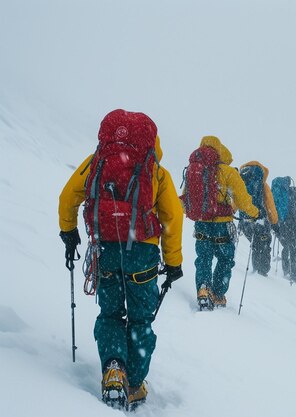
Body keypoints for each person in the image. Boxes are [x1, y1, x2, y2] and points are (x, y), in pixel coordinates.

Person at [58, 109, 183, 410]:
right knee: (140, 319)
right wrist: (174, 262)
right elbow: (172, 216)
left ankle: (114, 368)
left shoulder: (97, 162)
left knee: (111, 314)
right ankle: (134, 384)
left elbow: (67, 197)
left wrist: (68, 232)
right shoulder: (155, 171)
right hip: (143, 253)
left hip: (106, 250)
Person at [180, 136, 259, 310]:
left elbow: (187, 198)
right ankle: (217, 293)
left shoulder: (194, 169)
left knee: (204, 258)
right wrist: (254, 213)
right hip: (222, 224)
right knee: (225, 258)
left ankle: (203, 288)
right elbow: (243, 199)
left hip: (201, 223)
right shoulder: (228, 171)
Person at [238, 161, 279, 276]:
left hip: (244, 221)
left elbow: (236, 200)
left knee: (255, 244)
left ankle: (256, 268)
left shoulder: (241, 181)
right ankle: (262, 271)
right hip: (260, 220)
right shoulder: (263, 185)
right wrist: (274, 222)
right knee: (264, 243)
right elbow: (269, 205)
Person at [277, 186, 296, 284]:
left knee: (286, 249)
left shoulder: (284, 202)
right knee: (294, 253)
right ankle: (293, 275)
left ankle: (286, 271)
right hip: (294, 232)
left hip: (283, 231)